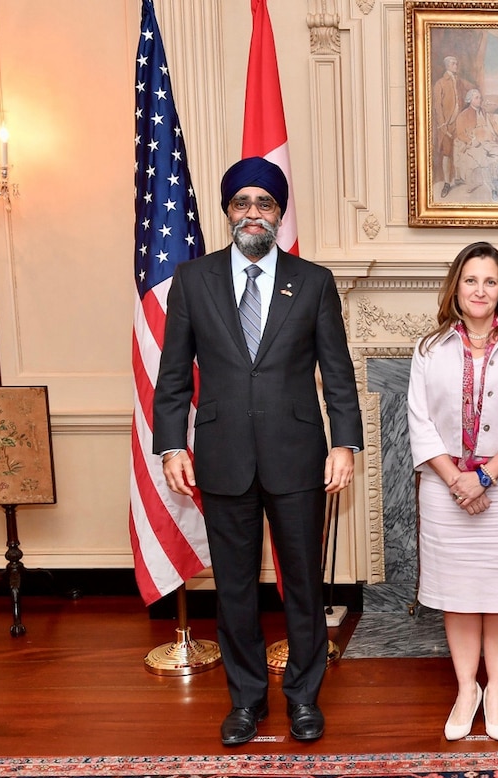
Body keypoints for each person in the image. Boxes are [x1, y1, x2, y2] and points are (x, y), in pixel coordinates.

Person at [153, 157, 363, 746]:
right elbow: (172, 377)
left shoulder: (313, 281)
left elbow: (338, 374)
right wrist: (171, 445)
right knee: (237, 589)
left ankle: (302, 698)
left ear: (279, 213)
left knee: (302, 586)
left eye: (264, 203)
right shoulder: (192, 280)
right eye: (242, 202)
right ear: (227, 212)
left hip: (299, 457)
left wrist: (344, 443)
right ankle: (246, 701)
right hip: (220, 458)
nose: (253, 213)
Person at [407, 242, 498, 742]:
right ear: (456, 287)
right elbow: (419, 424)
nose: (480, 290)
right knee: (459, 595)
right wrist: (456, 480)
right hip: (444, 488)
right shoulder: (428, 350)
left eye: (490, 281)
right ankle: (467, 688)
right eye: (471, 280)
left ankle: (497, 689)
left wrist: (485, 477)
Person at [453, 88, 498, 200]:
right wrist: (471, 141)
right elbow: (460, 134)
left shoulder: (485, 113)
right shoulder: (463, 115)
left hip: (489, 143)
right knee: (485, 163)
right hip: (476, 145)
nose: (480, 100)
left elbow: (496, 127)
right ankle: (493, 189)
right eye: (477, 98)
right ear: (470, 100)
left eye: (480, 97)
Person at [433, 55, 471, 198]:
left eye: (457, 63)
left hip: (458, 123)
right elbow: (437, 106)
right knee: (447, 154)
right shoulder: (440, 83)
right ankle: (447, 184)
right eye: (454, 64)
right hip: (447, 124)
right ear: (447, 66)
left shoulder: (459, 82)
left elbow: (469, 92)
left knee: (460, 150)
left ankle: (458, 178)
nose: (456, 66)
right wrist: (442, 125)